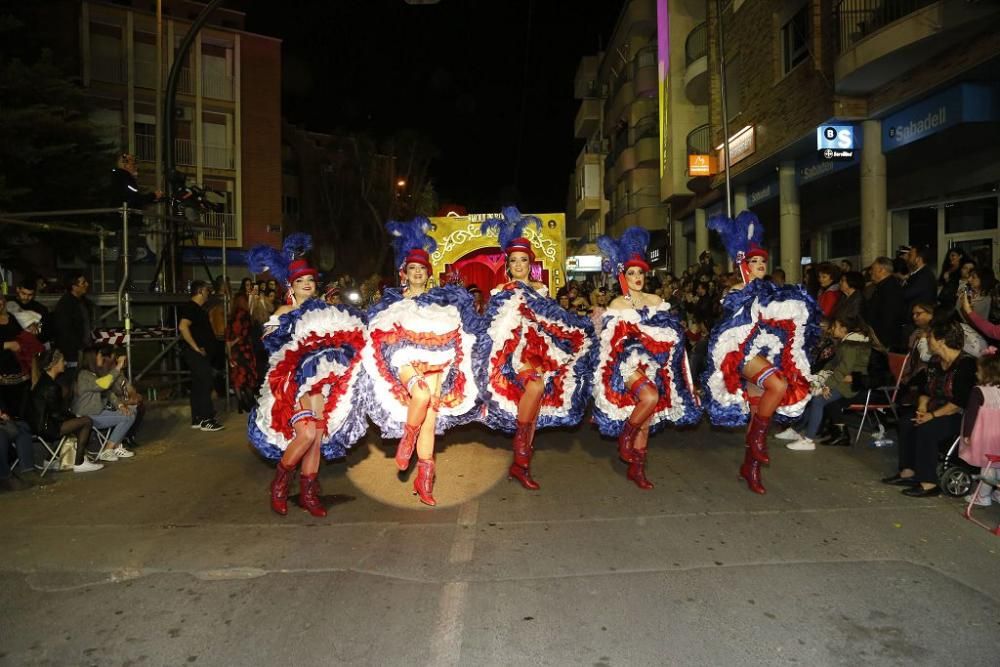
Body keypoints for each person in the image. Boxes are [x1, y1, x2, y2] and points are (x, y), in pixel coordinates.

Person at [363, 217, 483, 506]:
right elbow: (374, 329)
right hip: (402, 359)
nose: (417, 273)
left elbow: (462, 324)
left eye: (421, 269)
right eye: (412, 268)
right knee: (421, 394)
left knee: (430, 420)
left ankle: (425, 479)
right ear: (404, 273)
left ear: (428, 274)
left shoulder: (439, 300)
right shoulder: (391, 300)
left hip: (436, 360)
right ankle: (407, 439)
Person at [248, 234, 368, 517]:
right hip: (291, 382)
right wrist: (284, 332)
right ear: (291, 286)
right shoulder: (284, 311)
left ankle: (309, 492)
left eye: (310, 281)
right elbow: (269, 346)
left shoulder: (326, 312)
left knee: (317, 435)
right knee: (306, 432)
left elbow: (342, 339)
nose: (306, 285)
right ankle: (279, 484)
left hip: (320, 382)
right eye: (301, 281)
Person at [476, 207, 596, 490]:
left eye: (523, 260)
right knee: (535, 389)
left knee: (537, 397)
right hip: (509, 356)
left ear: (531, 263)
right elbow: (489, 327)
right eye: (514, 261)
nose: (519, 265)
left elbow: (554, 321)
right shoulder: (498, 292)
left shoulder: (541, 290)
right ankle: (520, 453)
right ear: (508, 265)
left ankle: (521, 464)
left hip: (539, 351)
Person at [702, 211, 821, 494]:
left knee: (758, 412)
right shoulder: (736, 289)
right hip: (739, 356)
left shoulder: (771, 289)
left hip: (764, 354)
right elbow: (732, 313)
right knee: (777, 384)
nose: (760, 266)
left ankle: (750, 467)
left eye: (763, 262)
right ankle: (757, 442)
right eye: (753, 261)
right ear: (743, 264)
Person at [592, 228, 700, 488]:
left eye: (640, 272)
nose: (637, 277)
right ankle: (625, 438)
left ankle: (638, 468)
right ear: (622, 276)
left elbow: (672, 333)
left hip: (653, 364)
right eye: (631, 273)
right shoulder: (618, 304)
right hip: (626, 365)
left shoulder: (656, 300)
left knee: (647, 414)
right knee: (649, 397)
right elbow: (608, 340)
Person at [882, 322, 976, 497]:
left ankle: (929, 482)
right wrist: (923, 407)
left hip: (958, 415)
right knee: (906, 422)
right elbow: (925, 390)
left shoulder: (966, 365)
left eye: (929, 337)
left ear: (941, 341)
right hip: (935, 409)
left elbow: (960, 402)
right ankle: (908, 472)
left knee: (927, 429)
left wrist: (931, 416)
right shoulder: (935, 361)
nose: (926, 339)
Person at [782, 315, 873, 451]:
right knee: (812, 397)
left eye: (835, 327)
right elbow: (833, 364)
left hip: (848, 385)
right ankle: (796, 430)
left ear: (843, 329)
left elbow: (843, 369)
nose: (833, 329)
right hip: (840, 380)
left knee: (818, 400)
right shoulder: (847, 343)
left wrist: (826, 385)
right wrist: (821, 375)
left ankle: (808, 440)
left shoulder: (850, 346)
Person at [26, 349, 102, 473]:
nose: (65, 363)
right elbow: (56, 414)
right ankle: (79, 462)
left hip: (39, 425)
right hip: (46, 427)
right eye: (62, 361)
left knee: (74, 424)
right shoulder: (51, 386)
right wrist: (73, 417)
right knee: (86, 421)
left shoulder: (44, 381)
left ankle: (49, 460)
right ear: (54, 364)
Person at [73, 347, 136, 461]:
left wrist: (120, 405)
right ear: (92, 358)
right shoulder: (84, 375)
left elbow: (107, 392)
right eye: (99, 355)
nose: (101, 357)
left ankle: (115, 446)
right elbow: (104, 385)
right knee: (129, 416)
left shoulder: (92, 374)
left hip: (96, 412)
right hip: (87, 415)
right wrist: (118, 366)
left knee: (130, 410)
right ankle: (108, 450)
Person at [178, 281, 224, 432]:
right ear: (200, 291)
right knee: (206, 383)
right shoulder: (191, 307)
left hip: (200, 353)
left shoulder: (199, 309)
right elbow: (183, 326)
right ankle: (206, 419)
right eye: (206, 290)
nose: (209, 293)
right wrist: (196, 348)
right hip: (195, 353)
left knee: (198, 385)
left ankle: (197, 418)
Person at [958, 350, 1000, 506]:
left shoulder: (979, 391)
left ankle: (983, 496)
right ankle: (998, 493)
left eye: (979, 370)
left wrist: (968, 434)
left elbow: (971, 414)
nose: (976, 372)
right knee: (998, 464)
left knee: (987, 466)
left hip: (985, 435)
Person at [52, 273, 92, 383]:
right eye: (83, 283)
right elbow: (64, 331)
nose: (87, 284)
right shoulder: (65, 305)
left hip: (81, 350)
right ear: (74, 287)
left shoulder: (83, 302)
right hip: (72, 354)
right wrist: (77, 348)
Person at [225, 291, 259, 413]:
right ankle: (249, 402)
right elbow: (243, 335)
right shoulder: (245, 315)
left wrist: (229, 352)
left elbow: (227, 337)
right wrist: (235, 342)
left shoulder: (231, 316)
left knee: (237, 378)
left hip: (234, 352)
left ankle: (240, 403)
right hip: (244, 350)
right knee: (247, 377)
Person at [863, 257, 906, 352]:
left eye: (873, 269)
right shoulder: (882, 286)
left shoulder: (891, 289)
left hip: (883, 343)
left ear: (881, 270)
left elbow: (889, 318)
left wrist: (879, 341)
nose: (870, 272)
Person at [0, 293, 30, 417]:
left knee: (22, 409)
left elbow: (21, 337)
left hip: (19, 370)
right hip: (2, 374)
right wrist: (7, 345)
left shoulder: (11, 318)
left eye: (0, 300)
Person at [901, 246, 937, 311]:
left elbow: (905, 294)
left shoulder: (925, 276)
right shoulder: (917, 274)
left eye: (910, 256)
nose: (907, 259)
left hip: (919, 317)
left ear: (918, 259)